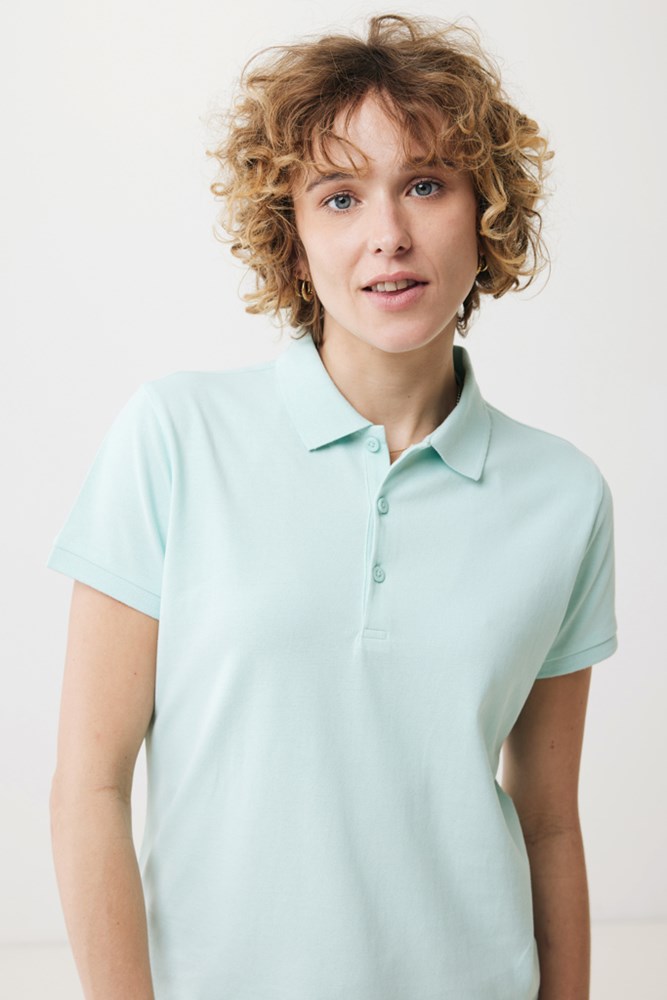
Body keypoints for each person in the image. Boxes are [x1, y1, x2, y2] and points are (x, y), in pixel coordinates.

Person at [46, 13, 617, 1000]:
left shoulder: (563, 496)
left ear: (485, 208)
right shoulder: (175, 436)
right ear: (293, 234)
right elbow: (89, 786)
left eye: (425, 184)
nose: (387, 234)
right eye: (340, 195)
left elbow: (549, 824)